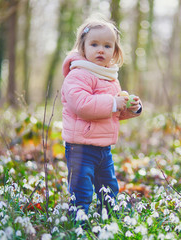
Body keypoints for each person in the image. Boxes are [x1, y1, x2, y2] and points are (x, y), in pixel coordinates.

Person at [61, 15, 142, 216]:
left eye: (107, 46)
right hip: (80, 146)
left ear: (115, 51)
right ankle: (78, 222)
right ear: (83, 47)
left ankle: (108, 219)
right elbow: (82, 105)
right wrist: (114, 103)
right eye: (94, 44)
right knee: (82, 189)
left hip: (104, 147)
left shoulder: (110, 78)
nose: (100, 50)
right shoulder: (78, 74)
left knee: (108, 186)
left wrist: (130, 108)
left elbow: (110, 113)